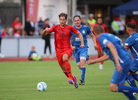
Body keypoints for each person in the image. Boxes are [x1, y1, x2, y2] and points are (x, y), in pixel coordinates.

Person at [87, 25, 138, 100]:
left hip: (122, 62)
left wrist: (117, 63)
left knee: (113, 87)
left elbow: (112, 47)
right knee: (121, 86)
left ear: (95, 33)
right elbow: (109, 55)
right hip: (127, 59)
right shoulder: (110, 36)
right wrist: (93, 61)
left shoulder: (101, 37)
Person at [42, 13, 85, 88]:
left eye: (63, 19)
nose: (62, 21)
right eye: (61, 19)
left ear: (66, 20)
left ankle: (70, 78)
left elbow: (79, 33)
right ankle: (72, 78)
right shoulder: (55, 27)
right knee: (64, 71)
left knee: (65, 58)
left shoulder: (70, 28)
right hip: (58, 51)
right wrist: (44, 31)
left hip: (67, 49)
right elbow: (44, 34)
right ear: (59, 20)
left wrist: (82, 43)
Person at [71, 15, 97, 85]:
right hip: (75, 50)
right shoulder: (71, 29)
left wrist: (95, 44)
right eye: (75, 21)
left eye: (78, 20)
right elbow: (67, 39)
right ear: (74, 22)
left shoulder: (86, 28)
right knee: (80, 67)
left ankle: (82, 81)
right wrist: (71, 46)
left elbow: (92, 35)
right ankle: (86, 57)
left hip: (83, 48)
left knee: (82, 63)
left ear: (80, 20)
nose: (77, 22)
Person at [125, 22, 138, 94]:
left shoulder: (130, 39)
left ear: (128, 29)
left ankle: (135, 90)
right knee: (132, 74)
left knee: (126, 74)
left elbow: (125, 49)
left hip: (137, 59)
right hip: (135, 59)